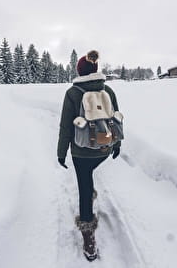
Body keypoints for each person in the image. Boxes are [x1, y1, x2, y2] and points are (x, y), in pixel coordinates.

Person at [57, 50, 121, 261]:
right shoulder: (108, 90)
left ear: (80, 72)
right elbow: (115, 119)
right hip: (104, 148)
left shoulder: (73, 93)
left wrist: (61, 153)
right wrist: (116, 144)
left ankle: (88, 238)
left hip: (81, 152)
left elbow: (66, 126)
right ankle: (90, 190)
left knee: (84, 188)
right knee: (91, 171)